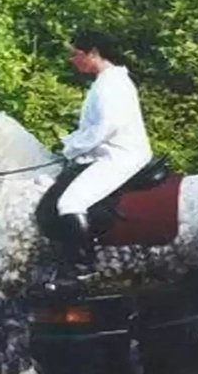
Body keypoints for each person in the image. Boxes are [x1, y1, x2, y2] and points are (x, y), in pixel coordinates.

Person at [50, 30, 153, 289]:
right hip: (107, 154)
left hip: (120, 156)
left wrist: (71, 148)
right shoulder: (104, 81)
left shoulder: (112, 83)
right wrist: (70, 142)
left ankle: (84, 269)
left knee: (70, 203)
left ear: (94, 52)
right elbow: (93, 128)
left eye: (76, 54)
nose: (72, 60)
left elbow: (107, 126)